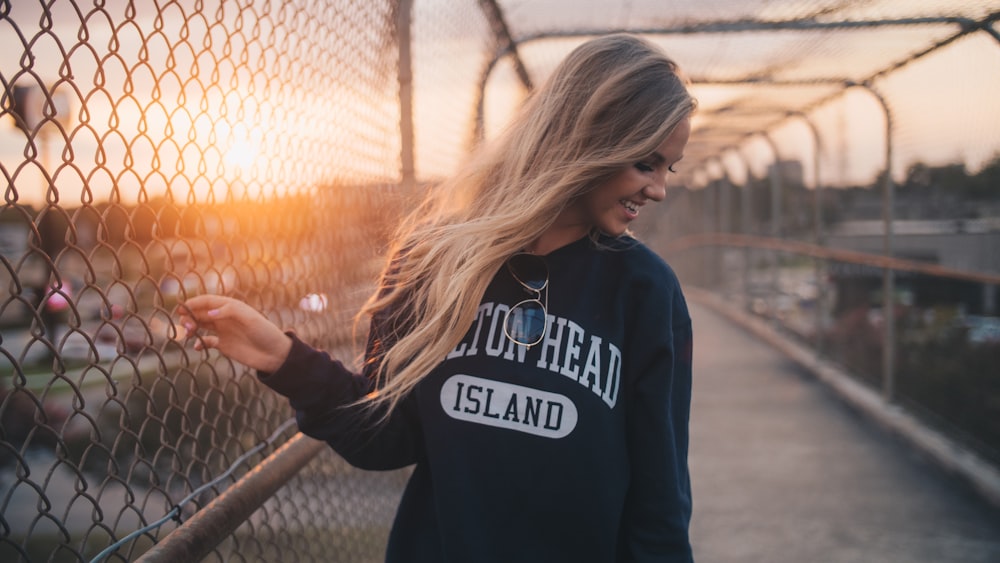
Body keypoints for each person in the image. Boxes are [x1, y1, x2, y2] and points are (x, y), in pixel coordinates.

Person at [179, 33, 696, 562]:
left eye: (668, 169)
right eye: (646, 164)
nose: (657, 189)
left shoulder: (646, 290)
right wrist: (282, 359)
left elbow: (659, 495)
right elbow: (385, 437)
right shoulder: (433, 260)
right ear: (591, 140)